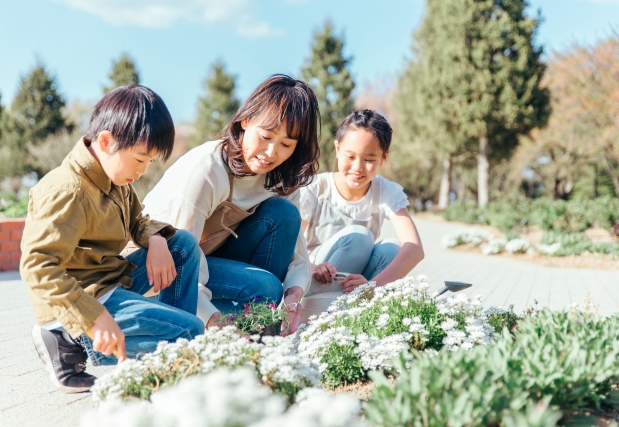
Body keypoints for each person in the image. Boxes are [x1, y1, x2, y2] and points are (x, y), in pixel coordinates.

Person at [20, 86, 204, 394]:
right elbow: (37, 267)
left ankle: (174, 349)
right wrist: (93, 318)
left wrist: (157, 241)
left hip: (108, 281)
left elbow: (137, 221)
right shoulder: (67, 190)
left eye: (149, 162)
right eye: (140, 159)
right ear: (106, 141)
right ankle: (72, 341)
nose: (143, 171)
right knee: (190, 330)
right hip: (83, 299)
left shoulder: (115, 177)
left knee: (181, 246)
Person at [140, 74, 319, 335]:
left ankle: (257, 337)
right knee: (266, 288)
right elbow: (183, 253)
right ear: (245, 120)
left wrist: (293, 295)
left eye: (286, 144)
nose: (271, 153)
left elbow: (298, 256)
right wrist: (210, 317)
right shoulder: (206, 171)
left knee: (284, 214)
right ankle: (200, 327)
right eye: (266, 136)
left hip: (213, 259)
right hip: (161, 268)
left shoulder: (281, 177)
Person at [300, 109, 424, 299]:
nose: (357, 167)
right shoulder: (316, 188)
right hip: (314, 280)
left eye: (369, 159)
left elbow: (414, 248)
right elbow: (289, 247)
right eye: (350, 157)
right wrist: (312, 266)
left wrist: (374, 286)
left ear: (384, 157)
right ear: (337, 150)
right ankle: (321, 311)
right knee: (360, 236)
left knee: (391, 249)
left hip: (352, 287)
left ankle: (359, 309)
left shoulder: (385, 190)